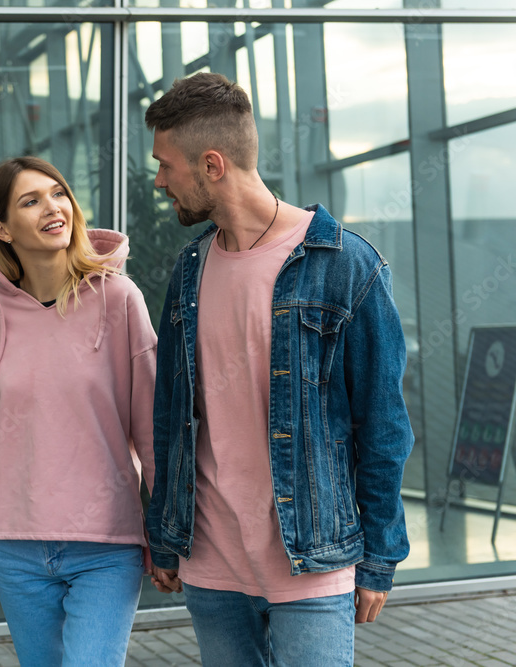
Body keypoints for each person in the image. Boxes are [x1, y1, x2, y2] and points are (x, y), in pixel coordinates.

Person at [143, 72, 414, 666]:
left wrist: (380, 556)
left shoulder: (346, 265)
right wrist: (165, 539)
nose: (160, 180)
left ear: (212, 164)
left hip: (311, 556)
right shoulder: (189, 273)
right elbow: (171, 417)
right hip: (211, 558)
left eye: (166, 164)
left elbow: (383, 424)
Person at [0, 156, 157, 666]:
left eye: (58, 193)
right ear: (2, 228)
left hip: (105, 543)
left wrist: (169, 536)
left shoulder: (119, 299)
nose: (53, 206)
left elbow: (152, 429)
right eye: (31, 200)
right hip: (15, 546)